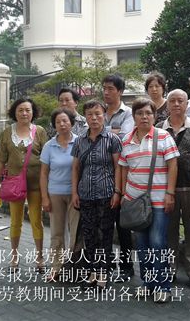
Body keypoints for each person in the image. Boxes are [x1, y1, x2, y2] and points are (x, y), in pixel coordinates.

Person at [119, 98, 179, 303]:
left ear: (154, 116)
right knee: (142, 245)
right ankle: (148, 283)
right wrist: (123, 195)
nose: (144, 117)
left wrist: (170, 194)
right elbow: (124, 168)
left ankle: (163, 286)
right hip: (135, 202)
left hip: (159, 201)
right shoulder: (126, 140)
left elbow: (173, 166)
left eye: (148, 113)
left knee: (157, 243)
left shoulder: (163, 137)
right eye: (140, 113)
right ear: (134, 116)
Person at [0, 98, 48, 270]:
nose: (24, 113)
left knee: (36, 221)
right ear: (14, 112)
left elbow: (47, 158)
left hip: (36, 184)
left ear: (33, 112)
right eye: (20, 110)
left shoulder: (39, 131)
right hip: (15, 185)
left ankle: (39, 258)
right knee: (16, 221)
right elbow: (1, 159)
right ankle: (14, 256)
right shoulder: (8, 132)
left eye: (27, 110)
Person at [156, 89, 190, 292]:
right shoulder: (159, 128)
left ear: (186, 104)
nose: (176, 104)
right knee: (170, 231)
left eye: (180, 101)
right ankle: (171, 267)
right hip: (167, 188)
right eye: (172, 101)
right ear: (167, 105)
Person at [71, 100, 122, 288]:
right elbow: (75, 168)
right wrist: (74, 192)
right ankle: (92, 270)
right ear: (85, 117)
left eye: (98, 114)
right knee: (89, 233)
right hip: (85, 194)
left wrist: (117, 191)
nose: (94, 118)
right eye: (90, 114)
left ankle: (103, 272)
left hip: (106, 193)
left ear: (104, 115)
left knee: (105, 234)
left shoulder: (112, 140)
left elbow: (118, 167)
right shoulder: (79, 140)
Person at [40, 108, 81, 281]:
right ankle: (56, 268)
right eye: (58, 122)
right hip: (55, 193)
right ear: (54, 125)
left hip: (75, 195)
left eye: (65, 121)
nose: (62, 124)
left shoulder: (80, 142)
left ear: (71, 123)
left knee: (76, 232)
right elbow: (43, 173)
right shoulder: (49, 146)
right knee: (57, 233)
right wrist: (45, 198)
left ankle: (74, 267)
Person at [102, 73, 135, 279]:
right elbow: (92, 136)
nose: (106, 92)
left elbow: (123, 140)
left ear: (120, 91)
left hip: (122, 175)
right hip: (101, 176)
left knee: (123, 225)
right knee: (105, 224)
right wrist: (111, 130)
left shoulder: (129, 113)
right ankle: (104, 264)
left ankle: (126, 266)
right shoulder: (99, 111)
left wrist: (105, 132)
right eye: (104, 88)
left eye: (110, 89)